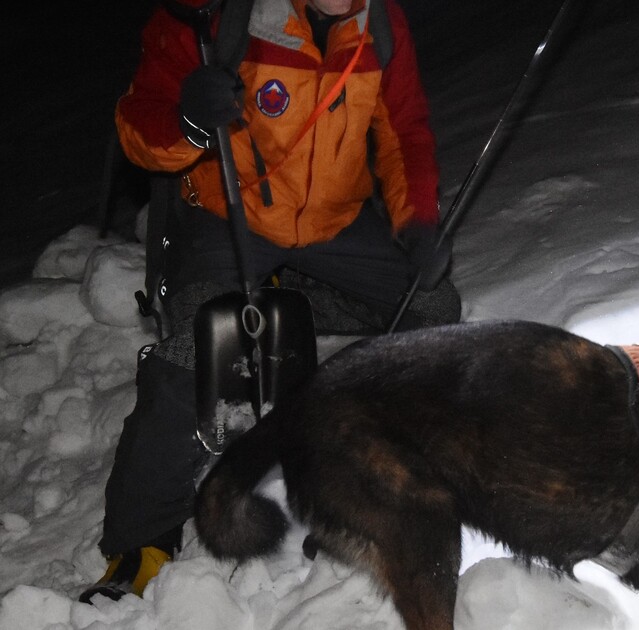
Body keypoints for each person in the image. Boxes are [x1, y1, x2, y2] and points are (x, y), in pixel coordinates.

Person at [80, 0, 459, 603]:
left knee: (432, 309)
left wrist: (416, 221)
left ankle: (393, 482)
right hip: (228, 216)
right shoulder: (221, 16)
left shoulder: (380, 23)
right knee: (201, 348)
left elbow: (404, 129)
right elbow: (136, 124)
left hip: (334, 224)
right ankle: (141, 542)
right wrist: (191, 125)